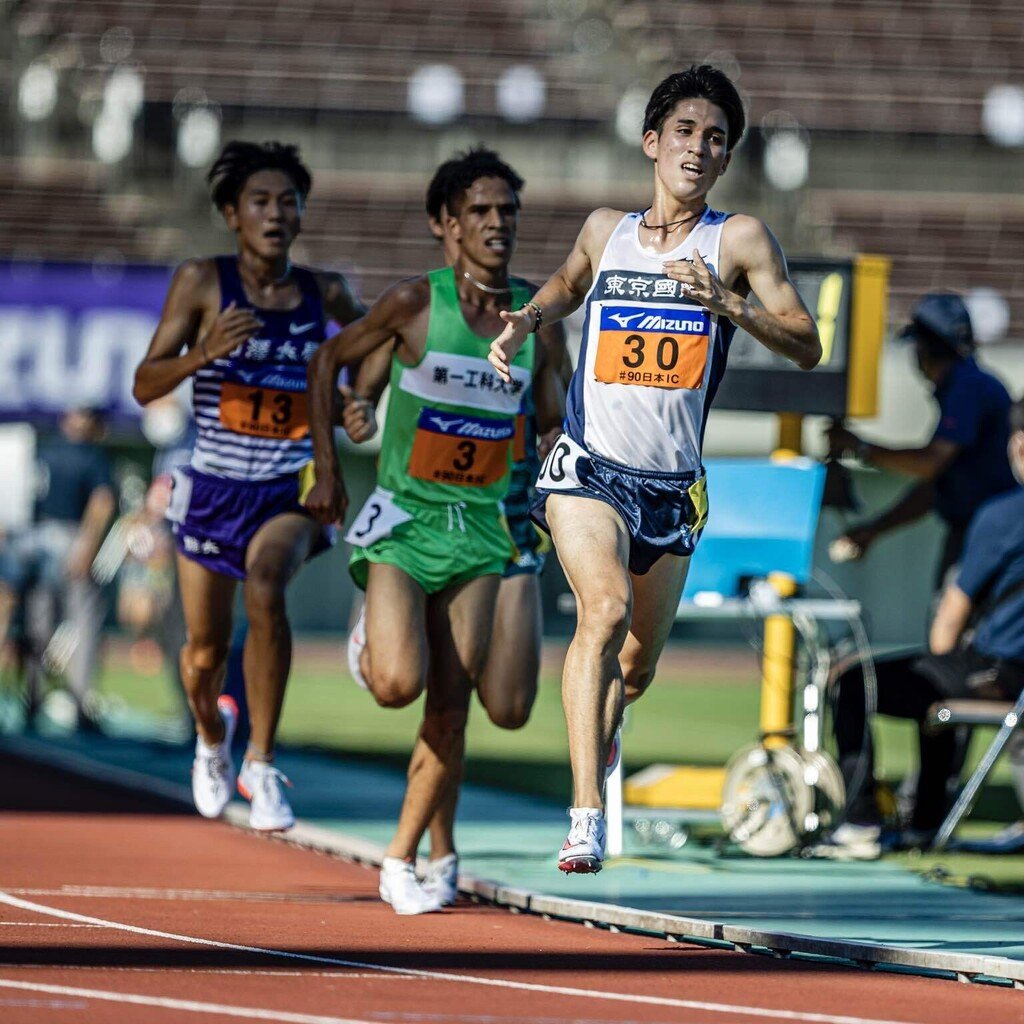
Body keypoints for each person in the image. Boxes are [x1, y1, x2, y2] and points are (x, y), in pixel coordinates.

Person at [488, 65, 822, 873]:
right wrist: (527, 322)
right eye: (685, 132)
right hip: (588, 466)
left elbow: (808, 344)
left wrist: (728, 305)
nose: (699, 149)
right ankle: (585, 818)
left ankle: (603, 734)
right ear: (652, 142)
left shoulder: (737, 241)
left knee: (632, 670)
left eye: (715, 139)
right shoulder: (610, 230)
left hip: (672, 489)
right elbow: (568, 282)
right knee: (599, 612)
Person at [305, 148, 565, 914]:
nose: (497, 224)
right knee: (397, 685)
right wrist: (328, 467)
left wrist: (556, 456)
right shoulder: (415, 303)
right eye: (480, 212)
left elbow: (552, 418)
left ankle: (402, 857)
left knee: (453, 707)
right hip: (405, 519)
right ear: (445, 224)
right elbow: (329, 362)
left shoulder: (536, 322)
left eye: (507, 212)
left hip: (483, 531)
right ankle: (373, 639)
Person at [132, 140, 366, 831]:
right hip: (211, 487)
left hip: (285, 486)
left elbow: (383, 336)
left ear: (301, 214)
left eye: (287, 202)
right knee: (202, 654)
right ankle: (213, 738)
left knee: (266, 588)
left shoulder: (321, 292)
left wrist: (359, 399)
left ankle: (262, 765)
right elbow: (145, 383)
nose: (275, 213)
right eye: (260, 202)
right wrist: (203, 353)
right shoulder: (203, 282)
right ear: (233, 214)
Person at [826, 388, 1024, 858]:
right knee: (937, 678)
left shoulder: (1003, 513)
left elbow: (951, 616)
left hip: (996, 673)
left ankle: (862, 822)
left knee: (855, 683)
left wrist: (941, 673)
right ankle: (925, 820)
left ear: (1019, 444)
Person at [826, 293, 1017, 588]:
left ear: (924, 348)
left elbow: (930, 464)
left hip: (986, 538)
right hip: (987, 533)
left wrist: (860, 447)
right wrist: (875, 529)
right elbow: (937, 487)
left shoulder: (967, 388)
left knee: (952, 629)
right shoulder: (976, 384)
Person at [0, 406, 116, 728]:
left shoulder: (43, 450)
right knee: (83, 623)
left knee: (38, 623)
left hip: (32, 540)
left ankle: (32, 702)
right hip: (68, 538)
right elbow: (102, 500)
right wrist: (88, 545)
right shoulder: (91, 455)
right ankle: (79, 704)